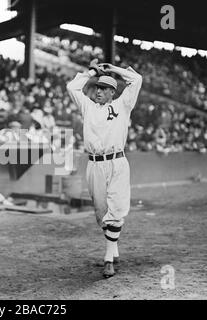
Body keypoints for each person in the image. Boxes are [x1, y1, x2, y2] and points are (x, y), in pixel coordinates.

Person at [66, 58, 142, 278]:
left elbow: (136, 79)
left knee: (116, 209)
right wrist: (91, 72)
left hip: (116, 162)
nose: (99, 91)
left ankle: (108, 259)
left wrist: (113, 70)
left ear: (113, 92)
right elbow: (72, 86)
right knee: (101, 213)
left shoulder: (123, 105)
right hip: (94, 164)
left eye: (105, 88)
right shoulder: (87, 106)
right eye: (98, 87)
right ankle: (114, 247)